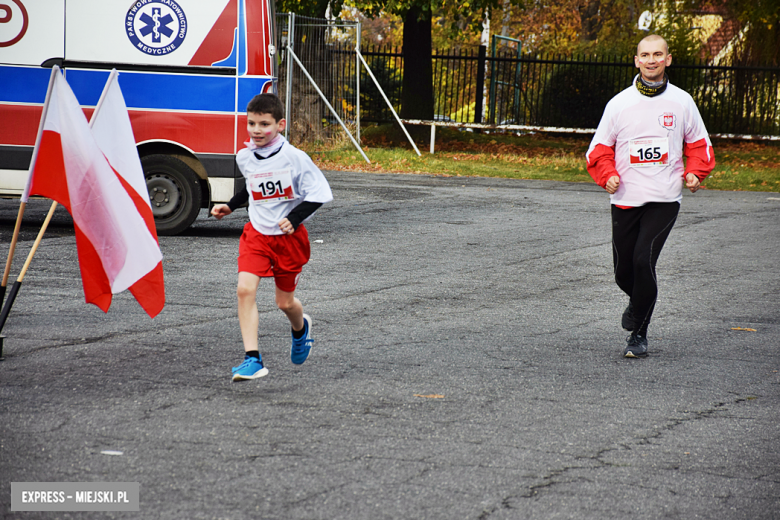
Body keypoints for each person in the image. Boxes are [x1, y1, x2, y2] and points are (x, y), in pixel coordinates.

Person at [585, 34, 716, 358]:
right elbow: (599, 150)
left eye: (658, 54)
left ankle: (638, 334)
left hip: (664, 197)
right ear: (637, 60)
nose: (652, 60)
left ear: (668, 59)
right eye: (646, 55)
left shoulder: (682, 101)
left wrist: (694, 173)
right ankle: (638, 303)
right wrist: (608, 175)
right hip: (626, 197)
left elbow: (699, 145)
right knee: (623, 272)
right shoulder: (619, 104)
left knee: (644, 261)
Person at [211, 93, 333, 380]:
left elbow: (320, 193)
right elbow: (252, 188)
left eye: (264, 124)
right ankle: (252, 359)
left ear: (280, 124)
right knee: (244, 289)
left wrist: (293, 219)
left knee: (284, 303)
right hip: (256, 234)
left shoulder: (295, 158)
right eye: (251, 123)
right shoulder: (245, 156)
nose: (256, 130)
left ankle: (301, 329)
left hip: (287, 240)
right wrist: (229, 205)